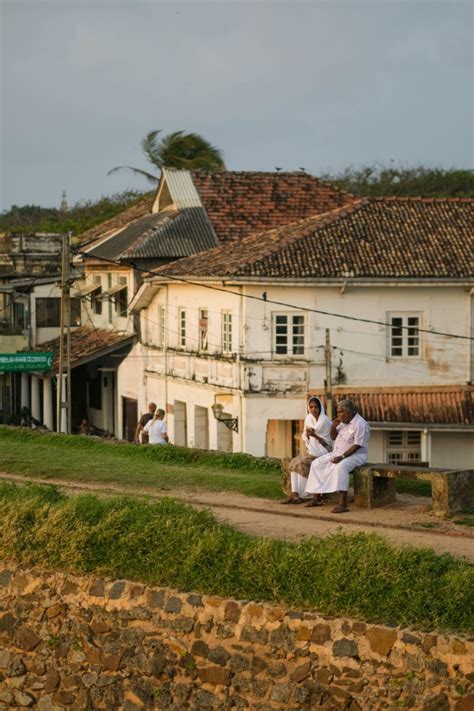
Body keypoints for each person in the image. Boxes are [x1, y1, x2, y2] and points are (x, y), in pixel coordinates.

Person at [304, 399, 370, 513]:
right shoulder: (343, 421)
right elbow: (333, 437)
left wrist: (342, 457)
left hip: (356, 456)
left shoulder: (361, 424)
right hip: (337, 453)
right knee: (316, 464)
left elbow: (357, 445)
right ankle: (317, 498)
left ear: (348, 412)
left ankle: (342, 503)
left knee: (341, 467)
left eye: (340, 412)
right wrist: (333, 427)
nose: (338, 415)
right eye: (338, 412)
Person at [281, 396, 332, 504]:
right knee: (293, 462)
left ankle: (305, 493)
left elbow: (327, 443)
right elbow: (304, 434)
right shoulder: (308, 418)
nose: (313, 409)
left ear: (320, 408)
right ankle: (295, 494)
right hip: (311, 450)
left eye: (316, 407)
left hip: (323, 452)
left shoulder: (325, 421)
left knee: (300, 463)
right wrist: (308, 436)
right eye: (311, 407)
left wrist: (314, 435)